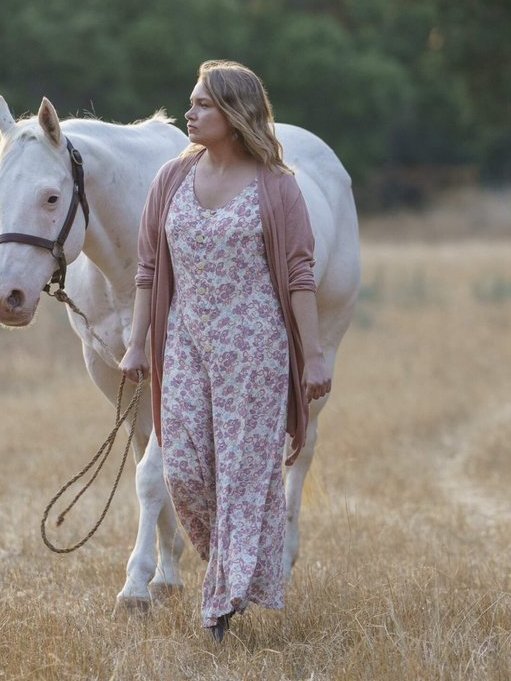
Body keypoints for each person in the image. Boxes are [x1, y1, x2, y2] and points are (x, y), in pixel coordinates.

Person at [119, 60, 330, 643]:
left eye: (203, 106)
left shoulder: (275, 184)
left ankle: (221, 605)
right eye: (191, 103)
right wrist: (137, 344)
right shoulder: (170, 179)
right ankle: (236, 567)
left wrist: (312, 356)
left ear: (235, 115)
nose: (189, 114)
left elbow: (299, 271)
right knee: (183, 470)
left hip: (255, 347)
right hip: (186, 342)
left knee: (242, 474)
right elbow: (148, 268)